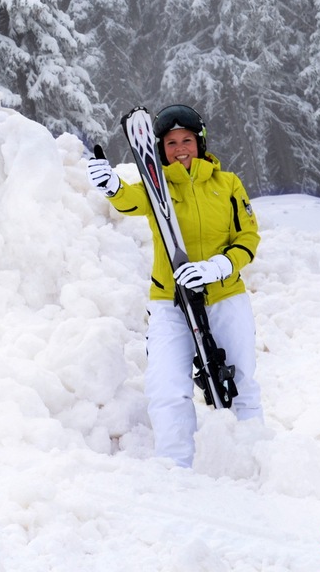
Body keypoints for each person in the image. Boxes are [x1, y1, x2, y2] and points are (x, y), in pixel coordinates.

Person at [86, 104, 263, 468]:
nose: (180, 148)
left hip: (225, 296)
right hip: (170, 301)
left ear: (200, 142)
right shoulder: (157, 188)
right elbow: (132, 200)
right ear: (160, 149)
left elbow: (248, 237)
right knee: (166, 386)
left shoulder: (228, 184)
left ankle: (252, 459)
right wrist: (113, 185)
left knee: (240, 380)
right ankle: (175, 466)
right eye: (170, 143)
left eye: (186, 140)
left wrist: (220, 266)